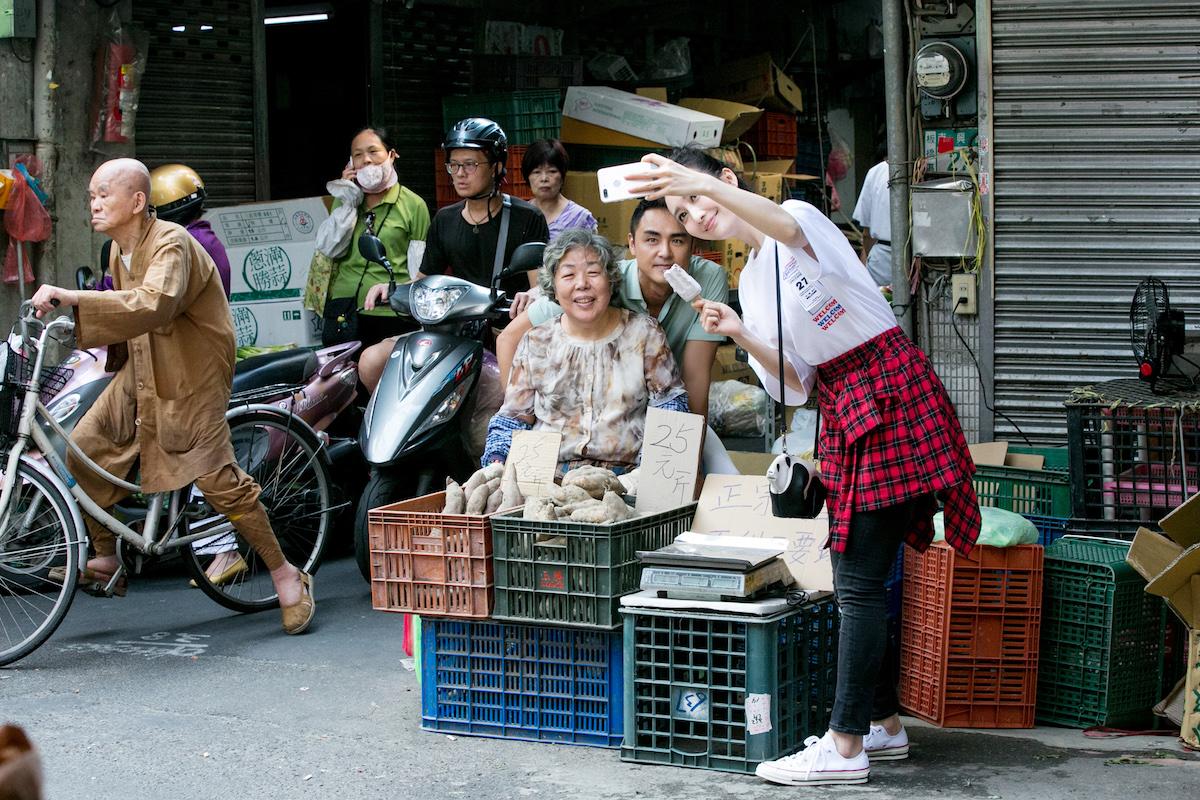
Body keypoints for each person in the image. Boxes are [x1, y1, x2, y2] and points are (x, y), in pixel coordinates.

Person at [629, 146, 980, 787]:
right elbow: (793, 383)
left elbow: (786, 227)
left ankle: (846, 748)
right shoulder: (752, 280)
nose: (695, 216)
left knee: (857, 580)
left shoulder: (793, 217)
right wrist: (737, 330)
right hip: (848, 403)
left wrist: (684, 177)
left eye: (699, 199)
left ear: (729, 183)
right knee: (859, 574)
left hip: (887, 388)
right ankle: (883, 726)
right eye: (681, 212)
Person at [32, 158, 316, 635]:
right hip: (143, 365)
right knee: (83, 448)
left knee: (216, 480)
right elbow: (123, 313)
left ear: (138, 202)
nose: (95, 203)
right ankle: (106, 557)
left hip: (192, 371)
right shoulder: (115, 251)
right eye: (92, 196)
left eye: (105, 194)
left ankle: (286, 573)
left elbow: (153, 302)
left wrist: (76, 299)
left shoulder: (173, 243)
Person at [357, 118, 549, 393]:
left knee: (494, 392)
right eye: (454, 165)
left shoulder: (525, 217)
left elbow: (539, 287)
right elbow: (423, 280)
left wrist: (532, 296)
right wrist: (392, 289)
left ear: (496, 166)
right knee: (371, 361)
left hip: (503, 332)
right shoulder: (445, 219)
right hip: (453, 330)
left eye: (470, 164)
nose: (459, 173)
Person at [497, 198, 725, 421]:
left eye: (677, 241)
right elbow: (508, 338)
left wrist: (689, 450)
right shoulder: (601, 283)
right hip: (596, 414)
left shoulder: (708, 279)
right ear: (632, 244)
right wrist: (520, 417)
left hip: (665, 409)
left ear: (693, 245)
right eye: (652, 240)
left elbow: (695, 376)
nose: (664, 252)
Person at [482, 229, 686, 474]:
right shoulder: (536, 341)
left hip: (627, 477)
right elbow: (513, 417)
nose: (582, 284)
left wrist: (653, 472)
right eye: (568, 275)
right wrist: (496, 461)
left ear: (610, 282)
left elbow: (670, 406)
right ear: (554, 289)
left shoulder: (644, 333)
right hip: (548, 477)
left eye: (593, 273)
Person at [317, 126, 430, 349]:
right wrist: (348, 197)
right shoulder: (345, 200)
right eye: (358, 155)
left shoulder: (413, 205)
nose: (366, 160)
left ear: (391, 155)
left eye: (373, 152)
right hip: (343, 310)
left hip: (391, 313)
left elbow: (419, 269)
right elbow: (329, 248)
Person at [522, 138, 597, 240]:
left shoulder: (580, 218)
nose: (544, 179)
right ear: (527, 176)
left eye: (552, 171)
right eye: (536, 172)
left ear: (562, 176)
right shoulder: (521, 214)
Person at [851, 143, 892, 288]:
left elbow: (867, 233)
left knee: (883, 306)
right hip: (912, 257)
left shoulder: (876, 172)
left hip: (882, 259)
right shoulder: (919, 168)